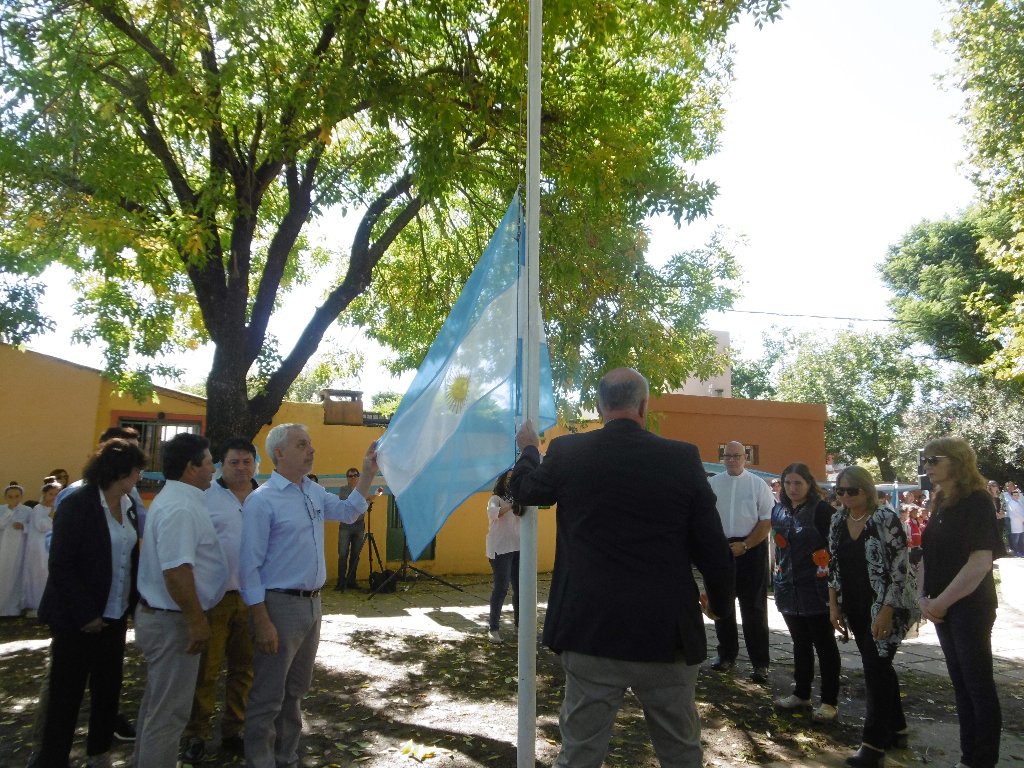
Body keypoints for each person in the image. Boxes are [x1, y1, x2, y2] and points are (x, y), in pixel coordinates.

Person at [510, 368, 735, 768]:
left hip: (590, 628)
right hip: (666, 632)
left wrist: (529, 449)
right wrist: (718, 604)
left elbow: (526, 490)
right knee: (680, 751)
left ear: (599, 406)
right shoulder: (682, 457)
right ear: (644, 405)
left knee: (579, 752)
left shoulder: (567, 452)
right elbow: (714, 551)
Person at [240, 424, 377, 768]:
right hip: (278, 607)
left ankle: (286, 757)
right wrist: (261, 619)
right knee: (268, 694)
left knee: (296, 691)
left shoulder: (313, 492)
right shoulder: (262, 501)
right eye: (303, 444)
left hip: (313, 605)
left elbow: (348, 511)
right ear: (279, 454)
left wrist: (367, 472)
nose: (311, 450)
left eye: (310, 444)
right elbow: (248, 567)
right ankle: (260, 760)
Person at [28, 439, 147, 768]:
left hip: (115, 614)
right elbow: (62, 564)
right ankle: (53, 758)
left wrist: (134, 606)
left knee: (108, 691)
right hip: (75, 619)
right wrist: (86, 614)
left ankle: (98, 753)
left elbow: (130, 557)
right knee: (66, 695)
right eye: (137, 470)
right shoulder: (78, 502)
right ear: (119, 472)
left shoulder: (129, 505)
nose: (140, 476)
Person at [133, 433, 227, 768]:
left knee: (158, 707)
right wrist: (196, 620)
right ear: (191, 467)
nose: (213, 468)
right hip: (174, 621)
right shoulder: (181, 507)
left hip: (171, 617)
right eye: (208, 461)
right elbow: (176, 571)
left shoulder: (181, 500)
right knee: (169, 715)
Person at [919, 438, 1004, 768]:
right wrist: (923, 597)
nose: (927, 465)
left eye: (933, 459)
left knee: (977, 685)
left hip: (970, 607)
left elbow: (980, 562)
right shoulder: (940, 500)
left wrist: (941, 602)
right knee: (961, 685)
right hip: (941, 607)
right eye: (925, 459)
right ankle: (970, 758)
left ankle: (982, 760)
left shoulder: (977, 501)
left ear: (957, 461)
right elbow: (928, 553)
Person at [827, 465, 916, 767]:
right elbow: (833, 566)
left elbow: (900, 569)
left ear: (868, 490)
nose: (846, 496)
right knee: (878, 666)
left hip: (886, 606)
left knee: (875, 669)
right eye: (840, 491)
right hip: (854, 605)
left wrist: (887, 611)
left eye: (853, 490)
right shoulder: (837, 520)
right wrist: (833, 606)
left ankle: (873, 744)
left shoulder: (885, 519)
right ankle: (898, 728)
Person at [179, 438, 259, 764]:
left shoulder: (264, 498)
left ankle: (233, 731)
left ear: (255, 464)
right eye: (233, 462)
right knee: (206, 671)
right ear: (221, 466)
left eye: (246, 462)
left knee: (244, 670)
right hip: (215, 599)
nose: (240, 468)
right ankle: (196, 734)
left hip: (254, 598)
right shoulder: (204, 498)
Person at [771, 463, 839, 722]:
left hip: (818, 590)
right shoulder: (778, 510)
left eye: (798, 482)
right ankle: (801, 694)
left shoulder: (822, 511)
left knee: (824, 645)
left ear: (809, 484)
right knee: (799, 643)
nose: (792, 488)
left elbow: (836, 548)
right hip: (788, 588)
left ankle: (830, 701)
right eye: (788, 483)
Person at [706, 441, 774, 682]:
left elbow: (766, 521)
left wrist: (745, 545)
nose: (732, 460)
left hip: (751, 549)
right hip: (721, 549)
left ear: (746, 457)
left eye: (737, 456)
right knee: (721, 606)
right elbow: (705, 518)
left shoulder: (758, 485)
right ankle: (726, 655)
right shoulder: (712, 484)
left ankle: (760, 664)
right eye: (728, 456)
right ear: (722, 458)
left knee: (754, 609)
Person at [485, 470, 521, 642]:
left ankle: (519, 626)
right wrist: (511, 506)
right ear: (502, 481)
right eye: (508, 478)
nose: (511, 482)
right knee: (502, 587)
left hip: (518, 548)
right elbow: (494, 514)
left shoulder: (519, 500)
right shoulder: (495, 499)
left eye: (513, 479)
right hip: (500, 549)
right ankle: (493, 628)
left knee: (520, 589)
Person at [23, 477, 60, 614]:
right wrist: (51, 516)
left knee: (49, 573)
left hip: (52, 544)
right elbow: (40, 526)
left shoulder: (59, 507)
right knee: (39, 573)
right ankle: (37, 604)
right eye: (51, 494)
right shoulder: (38, 508)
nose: (53, 497)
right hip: (39, 545)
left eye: (56, 494)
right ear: (44, 494)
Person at [334, 466, 367, 591]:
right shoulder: (343, 489)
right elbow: (347, 503)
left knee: (355, 555)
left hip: (359, 526)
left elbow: (363, 506)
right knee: (343, 554)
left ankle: (351, 580)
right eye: (350, 475)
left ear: (358, 477)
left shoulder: (362, 490)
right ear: (347, 478)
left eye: (355, 475)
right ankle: (341, 581)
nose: (353, 477)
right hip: (345, 526)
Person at [0, 481, 30, 616]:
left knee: (17, 575)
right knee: (4, 574)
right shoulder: (1, 509)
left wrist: (24, 527)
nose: (14, 499)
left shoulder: (27, 510)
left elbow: (35, 528)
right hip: (4, 547)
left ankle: (14, 607)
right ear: (6, 498)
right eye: (10, 497)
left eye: (17, 496)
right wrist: (8, 513)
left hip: (20, 548)